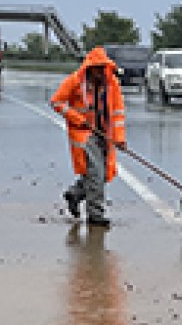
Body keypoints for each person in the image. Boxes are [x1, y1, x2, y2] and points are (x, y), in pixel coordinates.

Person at [51, 47, 126, 226]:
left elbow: (117, 113)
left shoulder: (112, 84)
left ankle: (75, 193)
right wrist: (78, 119)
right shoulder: (75, 81)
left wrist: (119, 138)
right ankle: (95, 214)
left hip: (104, 134)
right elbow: (57, 102)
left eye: (102, 68)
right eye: (96, 68)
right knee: (96, 174)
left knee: (104, 174)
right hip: (84, 134)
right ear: (89, 67)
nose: (99, 72)